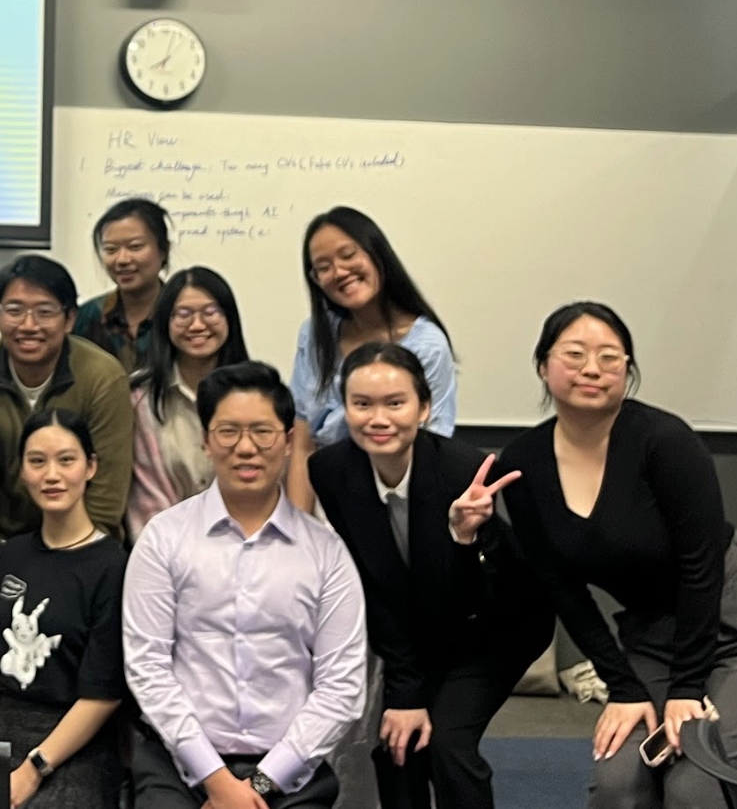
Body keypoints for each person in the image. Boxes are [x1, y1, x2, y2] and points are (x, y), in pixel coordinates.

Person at [492, 302, 737, 809]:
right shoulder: (521, 463)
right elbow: (559, 585)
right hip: (653, 639)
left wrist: (687, 687)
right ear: (543, 365)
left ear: (628, 368)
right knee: (620, 784)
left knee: (696, 784)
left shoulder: (664, 440)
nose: (593, 368)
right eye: (574, 354)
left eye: (610, 356)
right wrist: (622, 685)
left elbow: (701, 566)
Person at [308, 344, 550, 809]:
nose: (378, 418)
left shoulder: (464, 472)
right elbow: (372, 588)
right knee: (397, 745)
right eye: (362, 404)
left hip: (496, 629)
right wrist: (405, 691)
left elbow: (479, 599)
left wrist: (463, 537)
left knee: (447, 745)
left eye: (395, 403)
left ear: (424, 409)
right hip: (414, 627)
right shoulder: (332, 470)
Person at [124, 361, 366, 809]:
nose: (246, 448)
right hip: (180, 767)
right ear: (206, 439)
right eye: (228, 432)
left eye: (262, 432)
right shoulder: (163, 537)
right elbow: (148, 666)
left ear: (289, 442)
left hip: (290, 775)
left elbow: (341, 688)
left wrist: (256, 788)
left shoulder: (326, 552)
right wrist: (216, 781)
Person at [0, 409, 126, 809]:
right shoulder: (10, 555)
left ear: (90, 467)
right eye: (37, 461)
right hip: (1, 731)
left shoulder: (112, 565)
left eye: (66, 460)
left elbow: (104, 694)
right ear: (22, 471)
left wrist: (34, 767)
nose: (51, 475)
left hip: (75, 745)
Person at [0, 255, 132, 540]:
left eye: (45, 311)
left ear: (69, 319)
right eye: (14, 310)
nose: (28, 325)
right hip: (0, 544)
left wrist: (73, 556)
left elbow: (107, 492)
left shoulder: (103, 378)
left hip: (84, 544)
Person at [289, 208, 454, 513]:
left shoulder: (427, 345)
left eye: (348, 255)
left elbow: (433, 448)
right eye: (322, 267)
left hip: (400, 502)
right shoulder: (315, 336)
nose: (338, 272)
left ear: (376, 253)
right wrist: (299, 529)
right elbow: (303, 445)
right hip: (325, 498)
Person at [128, 266, 250, 540]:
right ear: (165, 322)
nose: (197, 325)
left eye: (210, 312)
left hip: (247, 548)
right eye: (183, 314)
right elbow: (147, 501)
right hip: (166, 553)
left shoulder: (256, 395)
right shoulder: (140, 398)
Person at [73, 198, 171, 371]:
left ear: (163, 250)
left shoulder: (180, 313)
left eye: (135, 246)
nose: (122, 259)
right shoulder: (88, 316)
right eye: (111, 249)